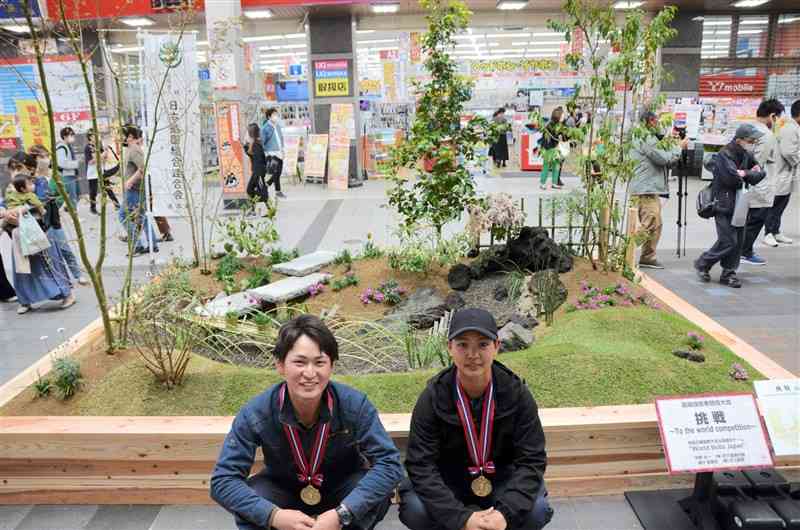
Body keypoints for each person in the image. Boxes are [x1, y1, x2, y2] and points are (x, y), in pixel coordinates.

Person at [210, 315, 403, 530]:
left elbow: (390, 464)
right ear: (280, 365)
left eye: (319, 362)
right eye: (299, 362)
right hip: (283, 494)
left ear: (331, 366)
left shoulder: (354, 405)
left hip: (342, 493)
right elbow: (223, 480)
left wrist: (343, 513)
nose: (310, 373)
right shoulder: (256, 412)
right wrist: (273, 516)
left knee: (374, 494)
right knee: (253, 501)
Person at [400, 308, 553, 530]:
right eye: (463, 345)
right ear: (449, 347)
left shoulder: (517, 394)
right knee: (415, 509)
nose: (473, 355)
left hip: (502, 480)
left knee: (537, 510)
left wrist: (505, 513)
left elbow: (532, 460)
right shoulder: (432, 397)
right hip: (448, 482)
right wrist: (460, 518)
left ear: (497, 347)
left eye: (482, 344)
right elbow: (420, 465)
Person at [694, 124, 767, 289]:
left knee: (738, 240)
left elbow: (761, 173)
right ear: (739, 140)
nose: (753, 143)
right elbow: (731, 178)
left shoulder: (746, 154)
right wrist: (747, 173)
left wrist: (745, 173)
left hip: (741, 203)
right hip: (723, 203)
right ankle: (703, 263)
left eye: (754, 140)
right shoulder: (724, 154)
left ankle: (728, 273)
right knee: (729, 240)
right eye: (751, 140)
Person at [3, 152, 75, 314]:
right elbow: (3, 203)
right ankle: (25, 300)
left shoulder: (39, 182)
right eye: (12, 168)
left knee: (50, 265)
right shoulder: (10, 186)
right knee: (23, 268)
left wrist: (20, 209)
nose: (14, 171)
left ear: (28, 167)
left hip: (40, 231)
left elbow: (42, 202)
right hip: (19, 232)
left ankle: (67, 294)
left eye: (17, 167)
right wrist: (4, 211)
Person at [629, 111, 687, 269]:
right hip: (644, 189)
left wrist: (669, 140)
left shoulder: (646, 135)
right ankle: (625, 252)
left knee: (656, 223)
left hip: (647, 187)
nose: (660, 125)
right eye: (657, 121)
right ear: (650, 121)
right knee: (650, 222)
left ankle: (648, 257)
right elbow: (663, 158)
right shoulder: (646, 137)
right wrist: (678, 148)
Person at [29, 145, 88, 285]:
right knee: (49, 254)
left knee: (64, 247)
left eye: (46, 156)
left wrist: (55, 203)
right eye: (41, 157)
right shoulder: (30, 179)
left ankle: (77, 274)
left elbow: (62, 196)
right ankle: (60, 282)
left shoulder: (55, 175)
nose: (45, 159)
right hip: (39, 221)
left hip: (54, 218)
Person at [740, 98, 785, 265]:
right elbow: (758, 162)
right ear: (772, 116)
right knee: (756, 219)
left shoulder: (747, 128)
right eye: (777, 118)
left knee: (745, 220)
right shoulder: (766, 135)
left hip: (745, 182)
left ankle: (742, 250)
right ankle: (745, 251)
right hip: (761, 184)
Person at [121, 125, 159, 256]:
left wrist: (130, 181)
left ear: (130, 136)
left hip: (135, 189)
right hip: (136, 189)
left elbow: (142, 168)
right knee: (142, 217)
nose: (121, 138)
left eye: (123, 135)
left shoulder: (135, 150)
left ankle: (137, 246)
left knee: (124, 216)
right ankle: (152, 244)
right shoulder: (131, 149)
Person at [766, 98, 799, 246]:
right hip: (781, 173)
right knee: (776, 204)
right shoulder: (790, 129)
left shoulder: (790, 126)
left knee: (781, 204)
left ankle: (776, 231)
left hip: (785, 173)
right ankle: (768, 233)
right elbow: (789, 152)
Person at [84, 130, 121, 214]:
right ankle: (92, 208)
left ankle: (117, 204)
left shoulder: (98, 146)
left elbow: (103, 159)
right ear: (90, 137)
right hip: (92, 173)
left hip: (101, 171)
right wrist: (102, 155)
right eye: (95, 135)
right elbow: (90, 161)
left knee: (107, 187)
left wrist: (105, 151)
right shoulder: (88, 147)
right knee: (93, 191)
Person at [261, 108, 286, 199]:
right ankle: (278, 191)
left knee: (278, 172)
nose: (276, 117)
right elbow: (262, 142)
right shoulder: (265, 128)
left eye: (277, 114)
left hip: (279, 152)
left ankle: (268, 184)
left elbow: (281, 138)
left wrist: (282, 149)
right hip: (271, 153)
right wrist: (266, 154)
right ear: (269, 117)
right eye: (274, 115)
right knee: (276, 172)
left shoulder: (278, 126)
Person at [539, 107, 565, 191]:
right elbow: (554, 136)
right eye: (562, 115)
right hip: (548, 148)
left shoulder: (557, 124)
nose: (563, 116)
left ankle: (554, 183)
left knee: (556, 165)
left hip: (554, 147)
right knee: (547, 165)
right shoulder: (550, 125)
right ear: (558, 116)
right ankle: (542, 183)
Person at [55, 126, 80, 208]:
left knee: (75, 195)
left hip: (71, 174)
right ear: (65, 136)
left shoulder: (67, 146)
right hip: (66, 175)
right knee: (72, 196)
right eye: (71, 135)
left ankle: (69, 209)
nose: (73, 137)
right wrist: (76, 163)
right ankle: (74, 216)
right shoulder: (61, 147)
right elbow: (62, 163)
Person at [245, 123, 269, 206]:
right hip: (257, 171)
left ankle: (266, 209)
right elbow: (252, 155)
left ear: (250, 134)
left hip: (258, 172)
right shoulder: (254, 144)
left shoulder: (256, 145)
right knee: (253, 189)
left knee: (255, 190)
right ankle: (256, 209)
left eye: (247, 133)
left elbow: (259, 159)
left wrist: (258, 175)